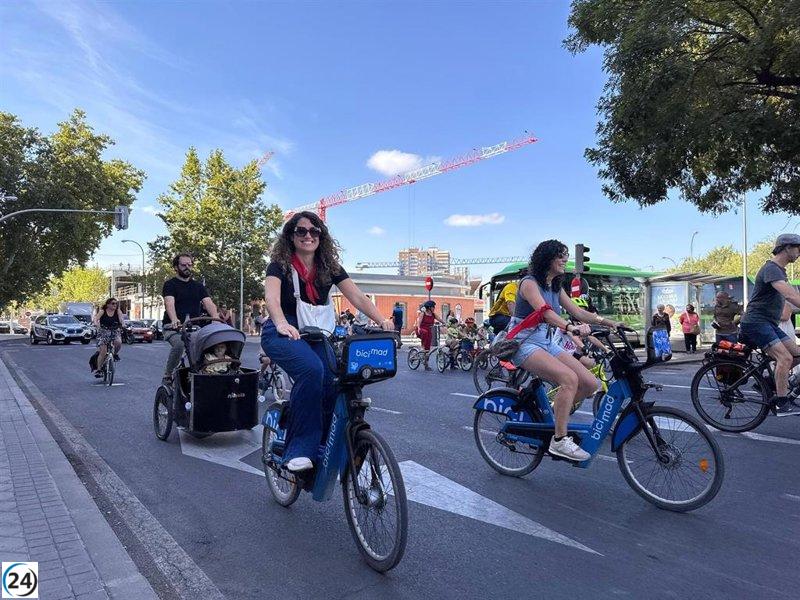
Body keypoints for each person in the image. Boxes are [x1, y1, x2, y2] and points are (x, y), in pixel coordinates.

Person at [262, 211, 393, 472]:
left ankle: (322, 443)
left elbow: (357, 297)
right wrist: (280, 323)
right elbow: (272, 298)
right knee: (312, 370)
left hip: (314, 331)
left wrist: (383, 321)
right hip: (282, 329)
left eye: (314, 231)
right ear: (291, 235)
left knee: (335, 379)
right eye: (301, 231)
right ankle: (298, 449)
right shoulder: (279, 265)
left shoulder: (329, 267)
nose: (308, 236)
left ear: (321, 236)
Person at [510, 240, 623, 461]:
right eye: (560, 255)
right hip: (524, 342)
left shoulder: (555, 286)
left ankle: (554, 415)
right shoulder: (529, 283)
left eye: (566, 255)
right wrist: (570, 327)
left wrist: (610, 323)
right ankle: (559, 440)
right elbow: (545, 313)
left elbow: (578, 311)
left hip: (546, 341)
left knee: (591, 384)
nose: (564, 260)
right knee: (569, 379)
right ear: (546, 258)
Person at [739, 234, 800, 413]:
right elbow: (790, 295)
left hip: (768, 323)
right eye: (798, 248)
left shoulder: (780, 271)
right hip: (755, 322)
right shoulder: (772, 268)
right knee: (785, 358)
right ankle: (781, 402)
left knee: (796, 355)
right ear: (786, 247)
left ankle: (768, 381)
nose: (799, 253)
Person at [161, 253, 219, 385]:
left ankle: (206, 373)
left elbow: (209, 304)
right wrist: (174, 319)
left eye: (189, 265)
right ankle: (168, 375)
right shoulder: (170, 284)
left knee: (210, 345)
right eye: (183, 265)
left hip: (194, 327)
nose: (187, 267)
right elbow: (169, 303)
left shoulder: (198, 286)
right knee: (180, 344)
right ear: (176, 267)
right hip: (173, 328)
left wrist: (215, 319)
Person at [92, 298, 126, 377]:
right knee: (103, 352)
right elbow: (96, 319)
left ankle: (115, 354)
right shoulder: (102, 311)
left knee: (118, 342)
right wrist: (97, 324)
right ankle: (99, 370)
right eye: (113, 303)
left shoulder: (118, 311)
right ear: (108, 305)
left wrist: (123, 324)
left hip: (114, 330)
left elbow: (121, 319)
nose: (115, 305)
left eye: (116, 303)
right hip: (103, 331)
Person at [413, 300, 445, 370]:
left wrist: (444, 323)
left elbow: (439, 319)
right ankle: (422, 346)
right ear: (429, 307)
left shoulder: (433, 314)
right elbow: (419, 322)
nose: (434, 308)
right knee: (425, 333)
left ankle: (426, 364)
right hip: (421, 330)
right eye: (433, 307)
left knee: (428, 349)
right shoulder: (423, 313)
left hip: (428, 331)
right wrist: (418, 328)